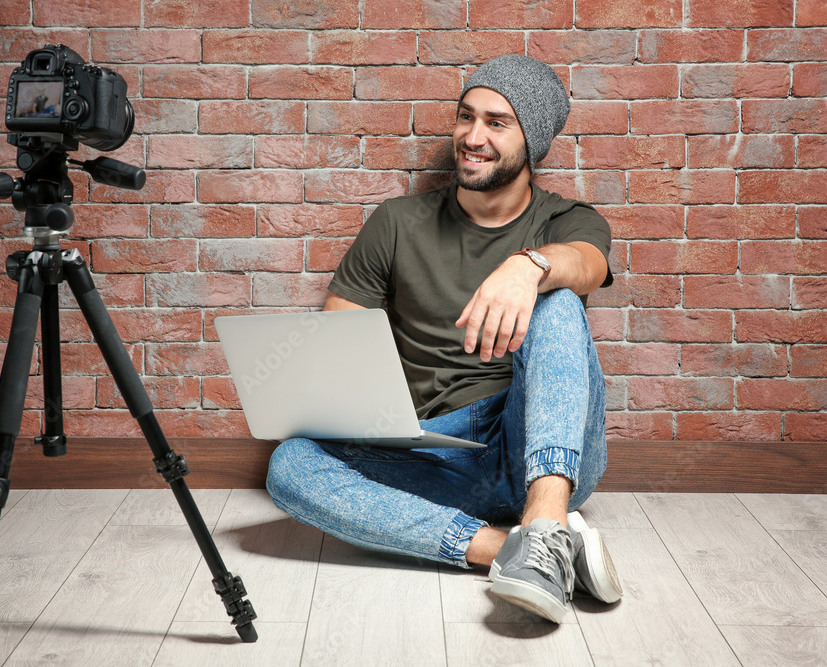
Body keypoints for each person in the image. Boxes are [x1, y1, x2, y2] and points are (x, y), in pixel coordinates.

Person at [265, 54, 621, 623]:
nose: (472, 137)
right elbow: (337, 338)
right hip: (432, 452)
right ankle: (518, 548)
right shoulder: (398, 222)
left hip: (529, 441)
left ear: (532, 141)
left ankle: (548, 516)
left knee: (557, 300)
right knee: (289, 466)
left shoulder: (566, 222)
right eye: (465, 117)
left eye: (496, 123)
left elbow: (585, 264)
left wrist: (528, 267)